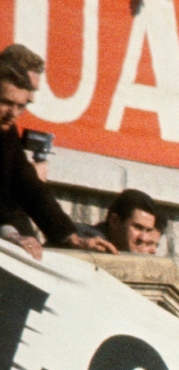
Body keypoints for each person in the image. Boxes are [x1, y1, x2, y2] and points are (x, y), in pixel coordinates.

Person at [0, 47, 114, 259]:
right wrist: (8, 233)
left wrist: (71, 236)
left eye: (20, 105)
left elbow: (27, 184)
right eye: (6, 103)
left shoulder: (6, 131)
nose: (13, 114)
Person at [100, 189, 166, 255]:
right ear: (115, 222)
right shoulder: (92, 244)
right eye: (138, 227)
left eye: (148, 230)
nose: (143, 238)